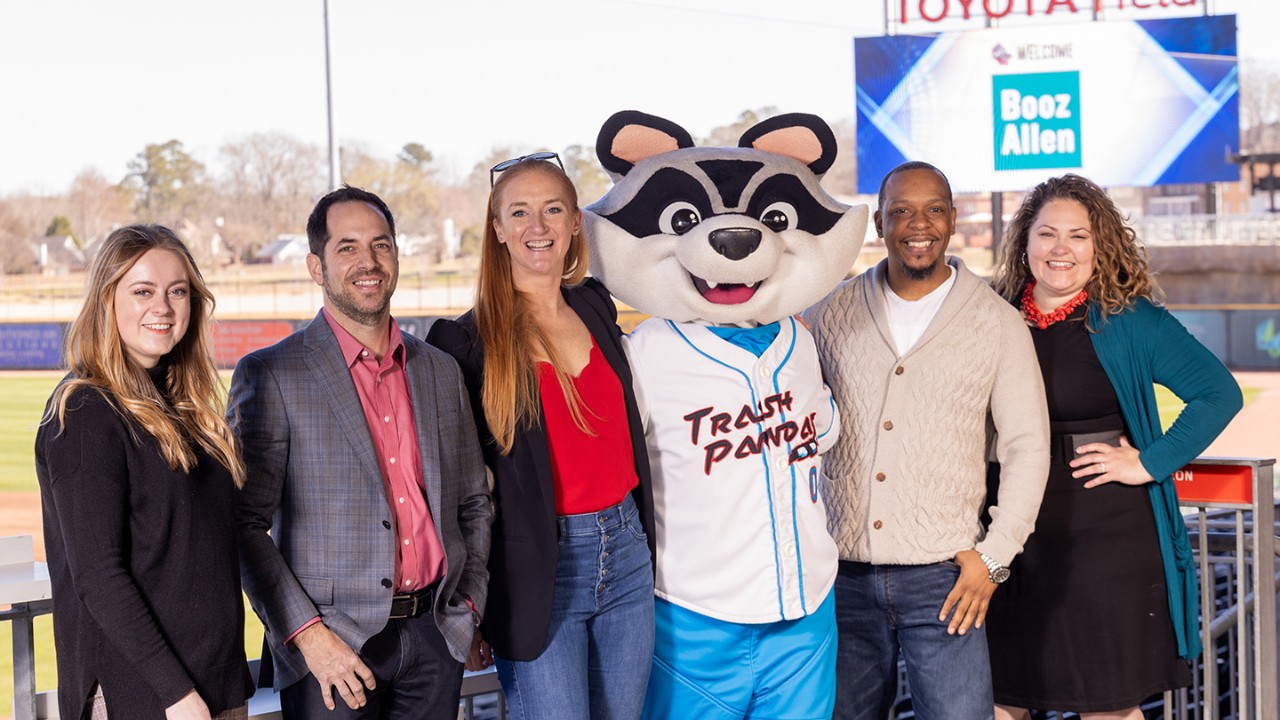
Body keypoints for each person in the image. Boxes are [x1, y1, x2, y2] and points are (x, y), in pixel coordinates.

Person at [985, 174, 1243, 720]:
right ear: (1024, 242)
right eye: (1047, 234)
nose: (1061, 250)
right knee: (1002, 700)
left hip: (1102, 538)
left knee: (1104, 705)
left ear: (1100, 245)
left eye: (1078, 236)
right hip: (1007, 535)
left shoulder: (1130, 319)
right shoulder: (991, 315)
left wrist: (1148, 462)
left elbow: (1218, 393)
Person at [229, 186, 491, 720]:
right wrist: (307, 636)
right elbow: (243, 524)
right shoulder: (273, 374)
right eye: (346, 247)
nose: (367, 262)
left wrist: (468, 603)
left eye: (381, 245)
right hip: (333, 648)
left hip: (434, 632)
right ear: (316, 266)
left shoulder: (439, 370)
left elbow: (473, 503)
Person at [805, 161, 1051, 720]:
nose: (919, 224)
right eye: (901, 211)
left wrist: (993, 558)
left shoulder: (996, 322)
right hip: (841, 576)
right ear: (878, 223)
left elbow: (1027, 448)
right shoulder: (828, 311)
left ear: (953, 219)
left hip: (946, 579)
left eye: (934, 209)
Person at [427, 154, 655, 720]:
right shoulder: (464, 341)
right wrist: (472, 601)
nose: (538, 227)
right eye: (520, 212)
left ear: (576, 221)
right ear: (498, 229)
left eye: (553, 209)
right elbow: (459, 489)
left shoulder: (595, 305)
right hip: (537, 570)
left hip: (626, 550)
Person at [36, 224, 254, 719]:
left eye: (177, 291)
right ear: (106, 300)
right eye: (143, 291)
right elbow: (99, 576)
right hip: (149, 696)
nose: (164, 307)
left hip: (213, 684)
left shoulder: (184, 403)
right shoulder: (87, 411)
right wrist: (175, 694)